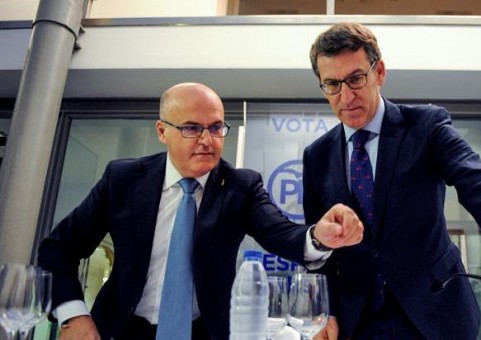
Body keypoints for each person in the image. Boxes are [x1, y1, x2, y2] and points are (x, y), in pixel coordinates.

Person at [38, 82, 363, 340]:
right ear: (162, 131)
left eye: (217, 127)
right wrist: (74, 315)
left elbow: (281, 233)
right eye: (192, 128)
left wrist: (318, 237)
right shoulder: (123, 179)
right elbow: (58, 249)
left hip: (205, 331)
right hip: (121, 329)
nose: (207, 140)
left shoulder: (240, 185)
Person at [302, 22, 481, 339]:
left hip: (436, 312)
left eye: (355, 78)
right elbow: (319, 248)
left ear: (379, 72)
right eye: (332, 85)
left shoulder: (425, 125)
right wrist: (324, 309)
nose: (346, 95)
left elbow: (478, 180)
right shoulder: (317, 156)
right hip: (357, 321)